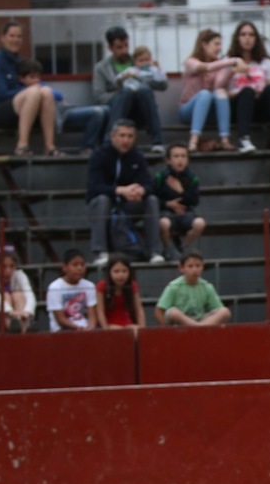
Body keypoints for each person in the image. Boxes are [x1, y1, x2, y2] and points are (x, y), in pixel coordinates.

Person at [87, 119, 163, 266]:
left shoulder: (137, 157)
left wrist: (141, 190)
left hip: (127, 205)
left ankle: (154, 251)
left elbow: (149, 184)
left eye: (130, 136)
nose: (126, 140)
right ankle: (100, 252)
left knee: (151, 200)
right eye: (122, 135)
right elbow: (95, 187)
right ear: (112, 136)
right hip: (104, 206)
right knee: (102, 199)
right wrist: (120, 190)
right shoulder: (99, 156)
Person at [0, 22, 61, 157]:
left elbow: (40, 86)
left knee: (46, 92)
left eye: (19, 36)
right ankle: (22, 146)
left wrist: (37, 89)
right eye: (12, 36)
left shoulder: (21, 62)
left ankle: (50, 147)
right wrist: (27, 91)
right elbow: (2, 94)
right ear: (3, 38)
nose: (15, 40)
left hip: (26, 106)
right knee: (33, 92)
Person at [93, 26, 166, 154]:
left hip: (140, 110)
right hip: (117, 111)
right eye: (119, 47)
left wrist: (141, 78)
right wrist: (122, 92)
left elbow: (163, 85)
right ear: (110, 48)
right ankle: (108, 142)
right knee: (127, 92)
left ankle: (158, 142)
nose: (124, 51)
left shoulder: (139, 61)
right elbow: (99, 97)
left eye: (126, 46)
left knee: (144, 90)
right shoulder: (101, 68)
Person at [225, 20, 270, 153]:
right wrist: (241, 91)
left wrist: (258, 92)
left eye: (251, 35)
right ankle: (244, 139)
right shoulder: (229, 61)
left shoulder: (266, 62)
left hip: (259, 106)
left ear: (256, 39)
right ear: (237, 38)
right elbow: (221, 90)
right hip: (237, 106)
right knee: (247, 91)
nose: (247, 38)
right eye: (243, 34)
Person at [179, 29, 241, 152]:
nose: (219, 48)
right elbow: (206, 68)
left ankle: (225, 140)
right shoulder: (190, 61)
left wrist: (231, 69)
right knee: (204, 94)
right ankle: (193, 141)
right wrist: (233, 60)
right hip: (188, 110)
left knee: (220, 92)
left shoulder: (218, 65)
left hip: (209, 112)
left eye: (220, 44)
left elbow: (218, 85)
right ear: (204, 45)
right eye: (216, 44)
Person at [153, 144, 206, 261]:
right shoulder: (160, 177)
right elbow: (153, 199)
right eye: (176, 156)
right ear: (168, 160)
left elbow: (194, 201)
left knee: (200, 223)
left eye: (183, 156)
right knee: (163, 223)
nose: (180, 160)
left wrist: (181, 190)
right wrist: (168, 204)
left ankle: (183, 248)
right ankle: (168, 249)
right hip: (166, 212)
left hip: (185, 212)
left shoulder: (192, 178)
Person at [154, 251, 232, 326]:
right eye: (190, 266)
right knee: (173, 312)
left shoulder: (207, 286)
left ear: (202, 267)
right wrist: (166, 328)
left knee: (224, 311)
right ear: (181, 268)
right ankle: (199, 328)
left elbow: (217, 308)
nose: (194, 270)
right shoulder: (174, 286)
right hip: (180, 323)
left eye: (198, 266)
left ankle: (199, 327)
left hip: (201, 320)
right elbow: (159, 311)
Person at [0, 249, 36, 333]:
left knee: (18, 295)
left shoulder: (20, 275)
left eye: (12, 266)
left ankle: (22, 327)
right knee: (5, 295)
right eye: (4, 267)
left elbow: (29, 294)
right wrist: (11, 312)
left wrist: (27, 312)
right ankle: (12, 327)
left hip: (17, 313)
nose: (8, 270)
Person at [46, 249, 99, 333]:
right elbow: (60, 319)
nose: (80, 268)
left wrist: (90, 327)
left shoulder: (90, 286)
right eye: (75, 265)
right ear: (65, 268)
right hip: (62, 330)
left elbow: (92, 316)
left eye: (82, 265)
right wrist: (78, 328)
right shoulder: (55, 287)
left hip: (86, 329)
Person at [95, 254, 146, 330]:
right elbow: (100, 311)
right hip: (109, 324)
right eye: (116, 271)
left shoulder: (132, 285)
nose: (121, 275)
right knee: (119, 332)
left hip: (127, 323)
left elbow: (139, 309)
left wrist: (142, 329)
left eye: (124, 271)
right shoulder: (102, 286)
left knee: (135, 330)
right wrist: (105, 329)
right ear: (109, 272)